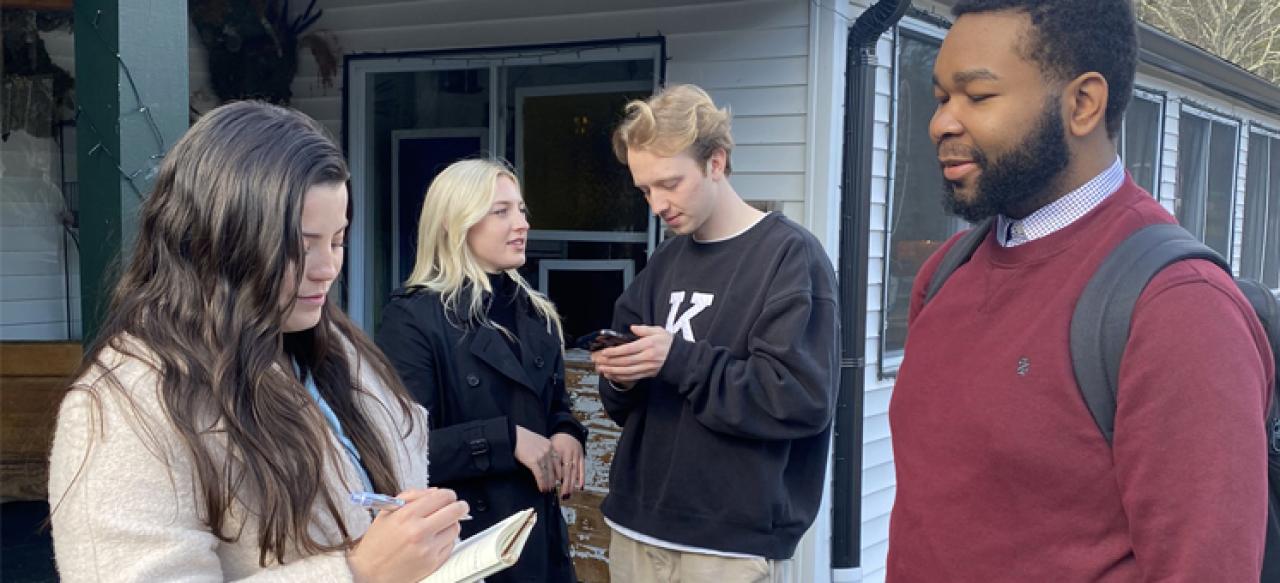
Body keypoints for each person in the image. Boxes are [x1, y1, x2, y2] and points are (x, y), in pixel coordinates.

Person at [886, 1, 1275, 581]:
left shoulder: (1178, 308)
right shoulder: (945, 273)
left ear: (1083, 103)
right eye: (942, 97)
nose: (941, 123)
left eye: (978, 96)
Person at [47, 101, 468, 582]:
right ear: (216, 240)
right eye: (298, 246)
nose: (328, 268)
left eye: (337, 241)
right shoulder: (125, 405)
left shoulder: (336, 350)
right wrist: (357, 572)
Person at [591, 84, 840, 583]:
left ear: (716, 162)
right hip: (636, 525)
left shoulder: (789, 256)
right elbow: (622, 405)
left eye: (670, 183)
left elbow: (799, 399)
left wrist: (677, 359)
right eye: (645, 190)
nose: (658, 204)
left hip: (727, 543)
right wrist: (621, 375)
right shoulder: (664, 260)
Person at [376, 158, 586, 583]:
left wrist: (567, 433)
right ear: (456, 224)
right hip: (465, 547)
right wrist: (507, 440)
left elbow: (554, 406)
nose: (522, 223)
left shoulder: (537, 312)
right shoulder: (413, 318)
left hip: (538, 542)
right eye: (501, 211)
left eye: (521, 209)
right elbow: (403, 451)